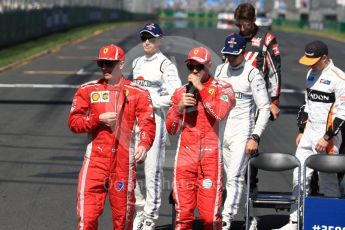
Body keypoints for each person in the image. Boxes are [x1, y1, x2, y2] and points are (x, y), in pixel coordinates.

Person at [68, 44, 156, 230]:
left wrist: (143, 145)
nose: (105, 68)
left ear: (121, 64)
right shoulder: (88, 90)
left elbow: (148, 123)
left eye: (110, 63)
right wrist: (96, 119)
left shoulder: (138, 93)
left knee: (123, 221)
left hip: (123, 164)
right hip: (95, 162)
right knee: (86, 219)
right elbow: (74, 122)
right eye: (102, 63)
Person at [276, 41, 345, 230]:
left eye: (313, 61)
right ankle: (295, 220)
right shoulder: (311, 73)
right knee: (298, 176)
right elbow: (308, 105)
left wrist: (327, 137)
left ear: (324, 58)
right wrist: (302, 130)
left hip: (328, 137)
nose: (309, 64)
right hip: (308, 134)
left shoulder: (339, 78)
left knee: (327, 180)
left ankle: (332, 222)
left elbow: (342, 114)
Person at [166, 47, 236, 230]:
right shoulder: (180, 92)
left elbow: (220, 113)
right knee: (183, 215)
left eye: (199, 66)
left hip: (210, 159)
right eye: (191, 66)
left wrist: (201, 89)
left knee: (210, 217)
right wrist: (179, 108)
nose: (195, 71)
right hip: (185, 158)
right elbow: (171, 129)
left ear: (209, 65)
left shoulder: (224, 88)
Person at [215, 33, 271, 230]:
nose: (230, 59)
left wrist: (255, 136)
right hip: (222, 131)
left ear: (244, 53)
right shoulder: (220, 70)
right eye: (227, 55)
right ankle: (252, 216)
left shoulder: (252, 74)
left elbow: (264, 108)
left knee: (235, 177)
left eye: (234, 55)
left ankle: (226, 219)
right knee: (225, 178)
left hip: (242, 132)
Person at [131, 23, 182, 230]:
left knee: (152, 172)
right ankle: (140, 207)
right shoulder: (136, 63)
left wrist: (149, 100)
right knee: (128, 168)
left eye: (151, 38)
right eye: (144, 38)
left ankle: (150, 217)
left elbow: (176, 95)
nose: (146, 42)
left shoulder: (165, 65)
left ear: (159, 40)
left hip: (155, 121)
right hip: (134, 122)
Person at [232, 2, 282, 207]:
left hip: (258, 100)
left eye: (246, 25)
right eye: (239, 25)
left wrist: (274, 101)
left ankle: (251, 197)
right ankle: (229, 194)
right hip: (235, 100)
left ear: (253, 21)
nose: (243, 29)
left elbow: (275, 71)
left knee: (250, 148)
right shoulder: (234, 39)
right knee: (230, 148)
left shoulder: (267, 39)